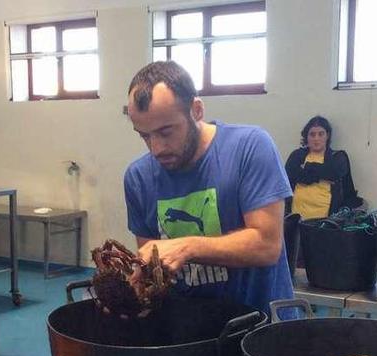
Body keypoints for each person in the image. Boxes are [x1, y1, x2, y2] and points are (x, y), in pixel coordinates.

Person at [123, 61, 295, 318]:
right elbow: (154, 273)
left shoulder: (249, 148)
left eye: (166, 132)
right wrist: (131, 295)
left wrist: (187, 247)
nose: (157, 148)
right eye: (145, 136)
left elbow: (267, 245)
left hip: (260, 333)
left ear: (196, 110)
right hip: (188, 336)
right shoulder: (138, 178)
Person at [284, 115, 361, 220]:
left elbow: (333, 172)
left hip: (326, 222)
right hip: (296, 218)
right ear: (306, 137)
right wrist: (321, 175)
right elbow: (287, 176)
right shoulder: (297, 156)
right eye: (312, 134)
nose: (316, 138)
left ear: (327, 136)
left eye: (321, 134)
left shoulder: (338, 156)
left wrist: (306, 168)